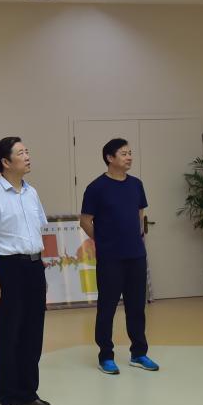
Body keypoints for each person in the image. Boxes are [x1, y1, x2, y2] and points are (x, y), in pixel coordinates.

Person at [0, 137, 58, 405]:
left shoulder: (31, 192)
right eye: (21, 153)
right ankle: (8, 398)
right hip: (7, 268)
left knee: (33, 334)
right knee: (9, 334)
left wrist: (42, 269)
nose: (27, 156)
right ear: (5, 162)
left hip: (34, 267)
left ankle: (28, 394)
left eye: (27, 151)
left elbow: (38, 231)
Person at [79, 139, 160, 375]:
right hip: (110, 257)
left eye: (130, 153)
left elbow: (140, 213)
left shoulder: (136, 184)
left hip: (136, 255)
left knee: (137, 307)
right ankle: (105, 355)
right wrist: (103, 240)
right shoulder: (96, 188)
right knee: (107, 308)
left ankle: (139, 353)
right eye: (124, 153)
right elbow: (85, 221)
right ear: (109, 158)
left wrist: (137, 235)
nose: (129, 157)